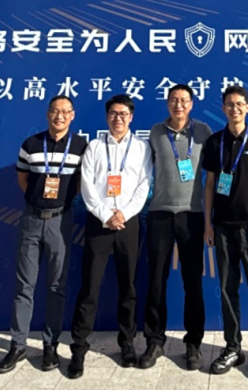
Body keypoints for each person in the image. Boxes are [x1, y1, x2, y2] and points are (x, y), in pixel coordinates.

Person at [0, 96, 88, 374]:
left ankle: (50, 345)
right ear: (48, 114)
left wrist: (59, 203)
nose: (59, 116)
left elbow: (81, 182)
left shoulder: (81, 146)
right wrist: (38, 201)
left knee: (56, 286)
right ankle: (18, 345)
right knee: (24, 285)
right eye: (54, 111)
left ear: (73, 115)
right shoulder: (31, 144)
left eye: (65, 111)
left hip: (61, 221)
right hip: (31, 220)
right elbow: (23, 179)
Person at [67, 94, 152, 379]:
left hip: (129, 223)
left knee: (128, 287)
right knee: (89, 288)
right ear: (107, 117)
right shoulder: (94, 146)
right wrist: (106, 215)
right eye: (113, 113)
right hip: (99, 223)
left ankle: (127, 343)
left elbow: (144, 185)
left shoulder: (141, 148)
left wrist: (123, 214)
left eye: (123, 114)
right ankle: (79, 348)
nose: (118, 118)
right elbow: (87, 186)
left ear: (131, 117)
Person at [201, 85, 248, 381]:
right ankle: (233, 347)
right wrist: (208, 224)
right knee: (226, 288)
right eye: (229, 104)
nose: (234, 108)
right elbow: (210, 184)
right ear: (223, 108)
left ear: (247, 108)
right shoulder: (215, 142)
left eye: (239, 104)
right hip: (222, 228)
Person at [139, 84, 213, 370]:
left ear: (191, 104)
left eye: (183, 100)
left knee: (192, 282)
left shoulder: (203, 132)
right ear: (167, 103)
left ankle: (193, 343)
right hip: (159, 214)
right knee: (156, 280)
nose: (178, 105)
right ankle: (154, 341)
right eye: (173, 100)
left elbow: (213, 175)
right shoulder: (156, 132)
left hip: (191, 215)